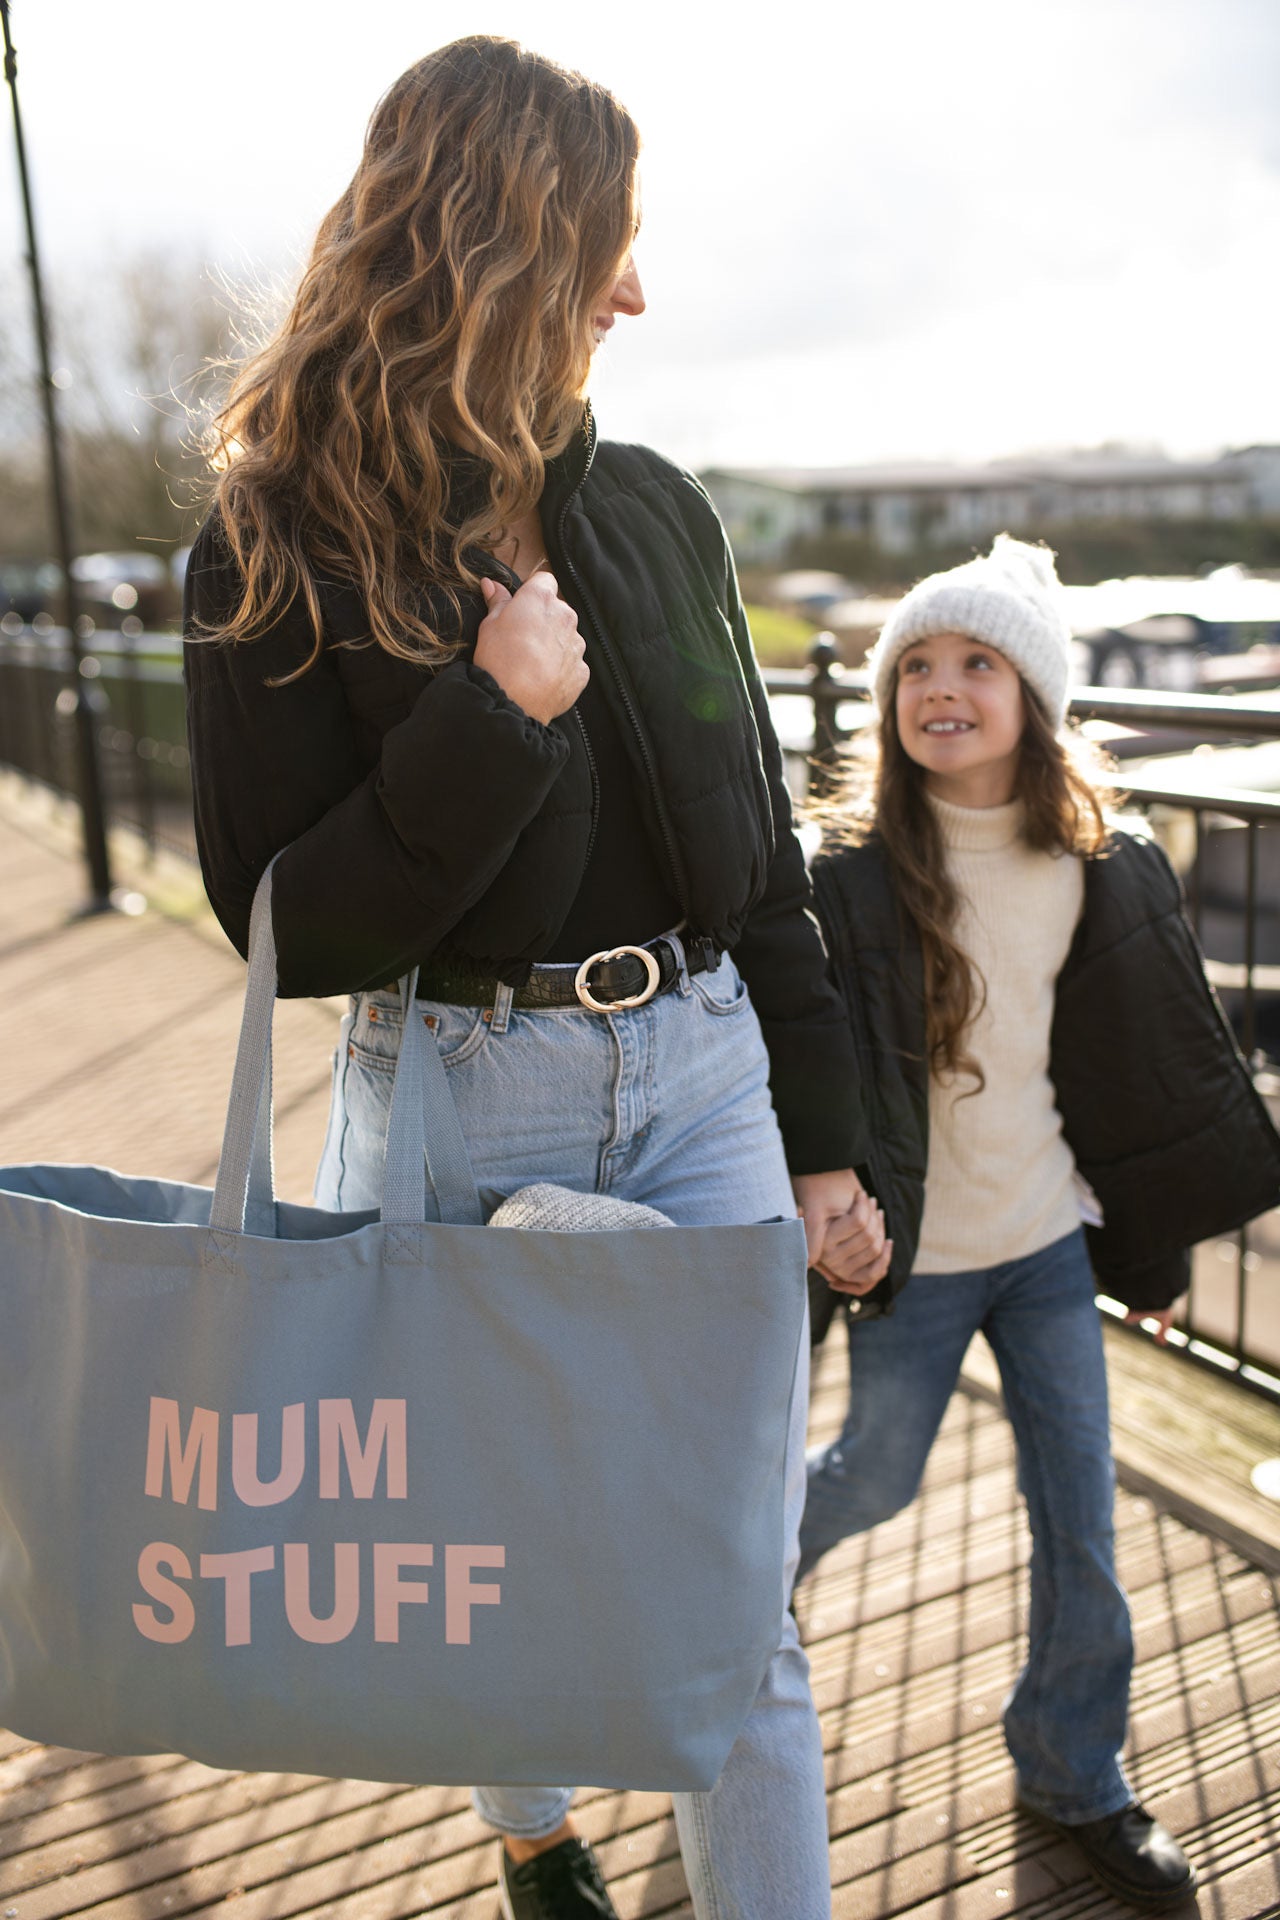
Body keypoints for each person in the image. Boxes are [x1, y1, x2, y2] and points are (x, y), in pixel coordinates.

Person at [183, 36, 889, 1920]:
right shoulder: (272, 538)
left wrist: (825, 1134)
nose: (637, 294)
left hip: (709, 1074)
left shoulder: (653, 508)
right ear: (503, 240)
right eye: (612, 244)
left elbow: (758, 864)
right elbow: (279, 930)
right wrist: (488, 725)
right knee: (485, 1545)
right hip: (455, 1093)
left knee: (738, 1598)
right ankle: (531, 1826)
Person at [797, 535, 1280, 1913]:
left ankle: (1074, 1771)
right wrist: (827, 1210)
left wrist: (1154, 1248)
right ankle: (746, 1583)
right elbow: (810, 1070)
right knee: (873, 1477)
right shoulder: (844, 877)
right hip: (918, 1261)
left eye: (978, 664)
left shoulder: (1104, 860)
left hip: (1046, 1242)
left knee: (1083, 1521)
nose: (941, 687)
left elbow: (1146, 1077)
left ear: (1037, 696)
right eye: (917, 668)